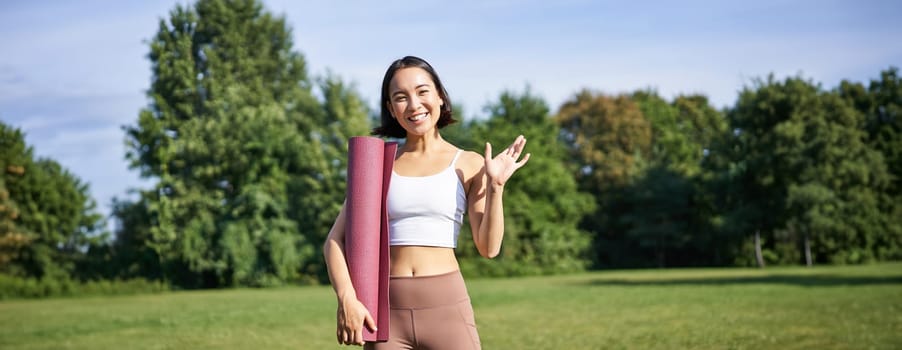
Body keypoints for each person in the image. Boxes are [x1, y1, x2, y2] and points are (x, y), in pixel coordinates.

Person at [323, 55, 530, 349]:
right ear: (391, 109)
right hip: (385, 316)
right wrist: (347, 299)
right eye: (401, 97)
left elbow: (489, 247)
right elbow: (335, 240)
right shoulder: (376, 164)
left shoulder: (468, 163)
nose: (414, 104)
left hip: (447, 309)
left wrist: (496, 187)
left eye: (422, 92)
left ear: (440, 97)